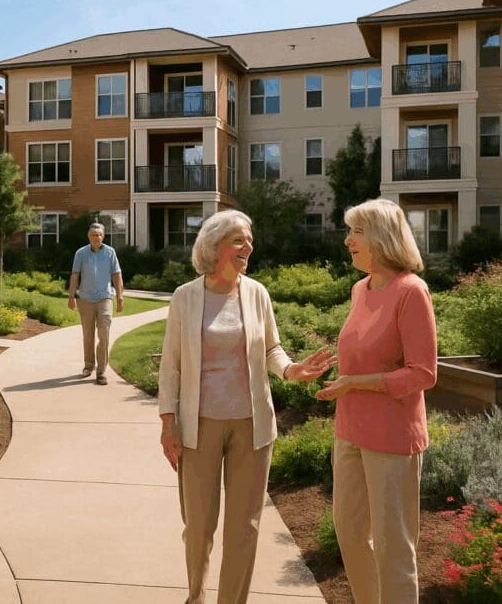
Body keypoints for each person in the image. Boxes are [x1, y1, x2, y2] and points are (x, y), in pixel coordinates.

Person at [158, 210, 335, 604]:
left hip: (252, 426)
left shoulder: (256, 293)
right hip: (198, 425)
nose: (248, 247)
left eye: (248, 240)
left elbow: (271, 347)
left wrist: (291, 369)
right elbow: (171, 366)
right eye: (239, 240)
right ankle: (196, 596)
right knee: (200, 526)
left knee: (245, 528)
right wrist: (168, 422)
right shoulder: (186, 298)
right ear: (215, 246)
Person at [316, 198, 438, 604]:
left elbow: (423, 373)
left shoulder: (411, 292)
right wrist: (340, 381)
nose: (347, 240)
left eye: (356, 232)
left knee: (392, 546)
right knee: (350, 535)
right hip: (349, 430)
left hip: (392, 437)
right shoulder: (359, 289)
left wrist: (356, 383)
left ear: (381, 238)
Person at [67, 222, 124, 385]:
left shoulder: (110, 252)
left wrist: (120, 297)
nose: (96, 237)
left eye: (99, 235)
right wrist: (71, 296)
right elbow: (74, 275)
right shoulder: (81, 253)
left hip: (105, 297)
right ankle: (88, 366)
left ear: (103, 236)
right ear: (89, 236)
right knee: (88, 334)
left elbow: (117, 275)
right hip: (85, 298)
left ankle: (101, 372)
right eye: (93, 235)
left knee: (104, 334)